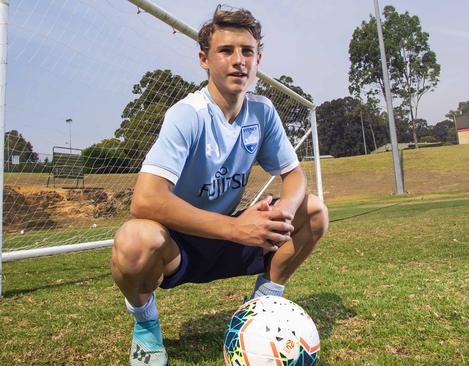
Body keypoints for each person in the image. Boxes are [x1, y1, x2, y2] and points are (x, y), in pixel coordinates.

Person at [110, 6, 328, 366]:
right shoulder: (187, 115)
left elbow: (295, 177)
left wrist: (284, 214)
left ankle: (264, 303)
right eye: (226, 51)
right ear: (204, 59)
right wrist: (234, 227)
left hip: (232, 239)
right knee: (134, 241)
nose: (238, 61)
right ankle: (146, 328)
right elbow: (145, 200)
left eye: (247, 51)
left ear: (258, 59)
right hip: (180, 244)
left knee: (314, 211)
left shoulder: (262, 112)